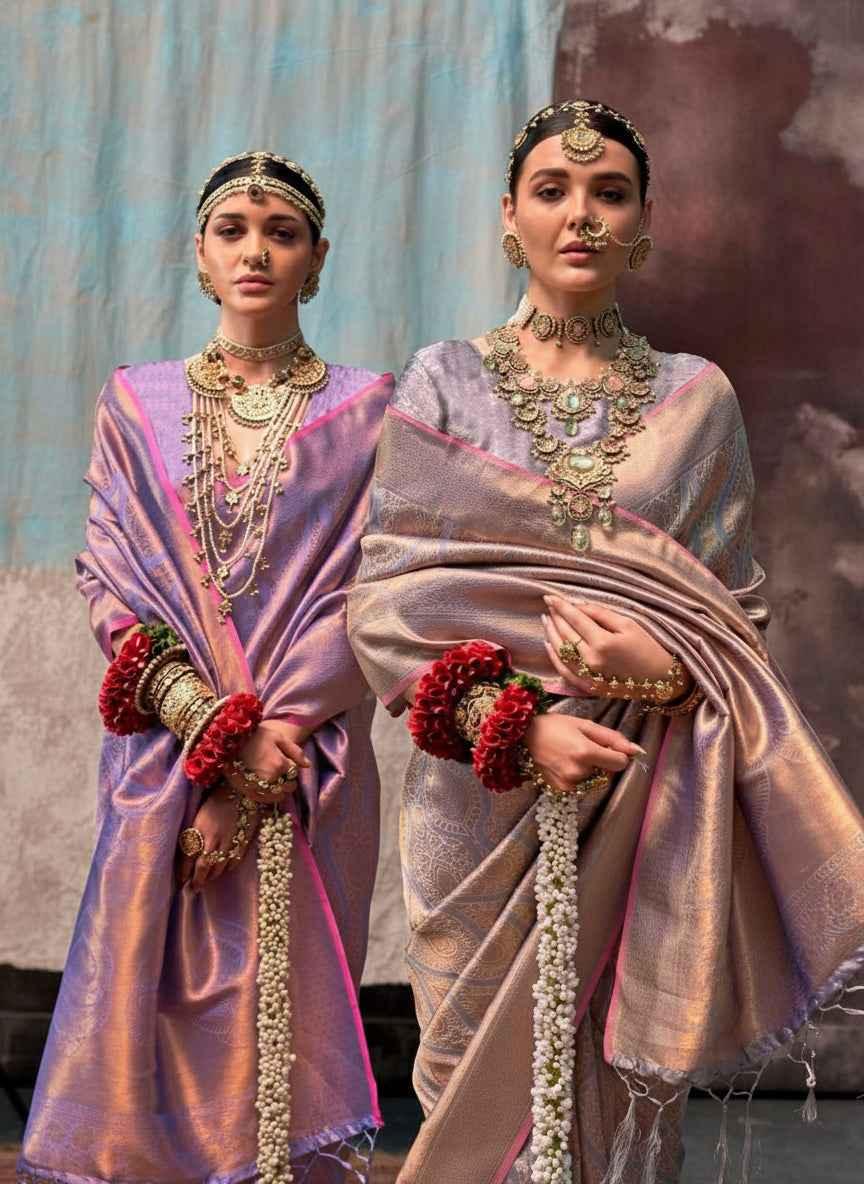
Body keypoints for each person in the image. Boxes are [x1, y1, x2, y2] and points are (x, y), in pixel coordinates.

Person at [347, 102, 864, 1184]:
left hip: (647, 791)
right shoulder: (445, 380)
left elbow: (736, 622)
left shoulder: (695, 398)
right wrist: (518, 724)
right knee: (471, 1078)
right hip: (477, 793)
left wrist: (661, 669)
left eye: (609, 193)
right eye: (551, 190)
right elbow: (387, 600)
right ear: (509, 216)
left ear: (643, 224)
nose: (579, 213)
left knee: (622, 1097)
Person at [19, 151, 393, 1184]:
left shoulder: (371, 410)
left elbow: (373, 592)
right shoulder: (138, 403)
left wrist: (264, 746)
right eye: (233, 229)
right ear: (199, 254)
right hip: (161, 768)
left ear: (317, 260)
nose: (256, 250)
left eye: (281, 232)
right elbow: (110, 578)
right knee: (149, 1008)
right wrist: (206, 743)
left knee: (273, 1037)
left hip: (304, 764)